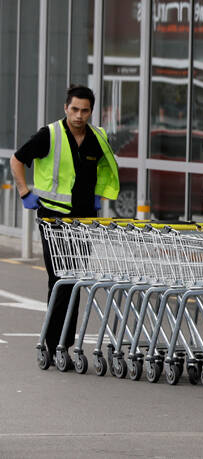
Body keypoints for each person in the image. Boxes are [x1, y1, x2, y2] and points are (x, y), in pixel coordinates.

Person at [10, 85, 119, 364]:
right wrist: (25, 192)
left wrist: (98, 196)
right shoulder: (50, 134)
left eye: (84, 110)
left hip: (83, 222)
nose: (79, 115)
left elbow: (106, 167)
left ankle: (64, 345)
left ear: (91, 111)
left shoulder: (97, 137)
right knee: (59, 279)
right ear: (65, 108)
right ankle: (54, 343)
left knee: (75, 280)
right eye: (74, 109)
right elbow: (17, 159)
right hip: (53, 219)